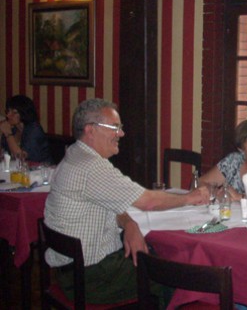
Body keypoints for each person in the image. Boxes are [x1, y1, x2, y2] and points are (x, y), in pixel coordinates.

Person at [43, 98, 209, 304]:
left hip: (72, 270)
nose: (121, 133)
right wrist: (189, 198)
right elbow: (148, 202)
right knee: (173, 277)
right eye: (115, 127)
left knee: (155, 255)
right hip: (92, 276)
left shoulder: (75, 155)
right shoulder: (92, 167)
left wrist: (129, 223)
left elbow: (112, 202)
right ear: (90, 130)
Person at [0, 94, 51, 163]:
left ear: (24, 113)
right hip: (16, 168)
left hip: (41, 168)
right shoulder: (13, 129)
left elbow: (21, 157)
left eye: (14, 112)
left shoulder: (34, 130)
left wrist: (8, 134)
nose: (8, 115)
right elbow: (4, 153)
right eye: (8, 111)